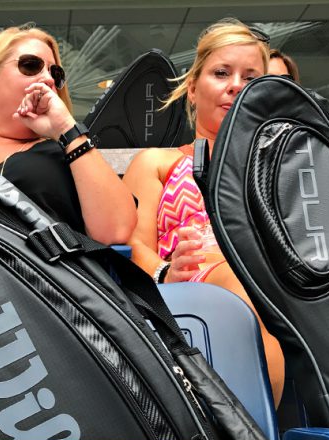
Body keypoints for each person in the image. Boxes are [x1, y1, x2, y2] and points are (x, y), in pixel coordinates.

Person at [123, 19, 284, 402]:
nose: (235, 86)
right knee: (242, 287)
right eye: (221, 73)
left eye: (250, 77)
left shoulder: (281, 167)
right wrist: (165, 271)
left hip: (270, 283)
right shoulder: (158, 162)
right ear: (192, 89)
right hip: (190, 282)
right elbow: (130, 242)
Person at [0, 25, 136, 243]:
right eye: (31, 66)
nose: (48, 79)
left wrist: (67, 129)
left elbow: (117, 232)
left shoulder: (71, 152)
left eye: (55, 73)